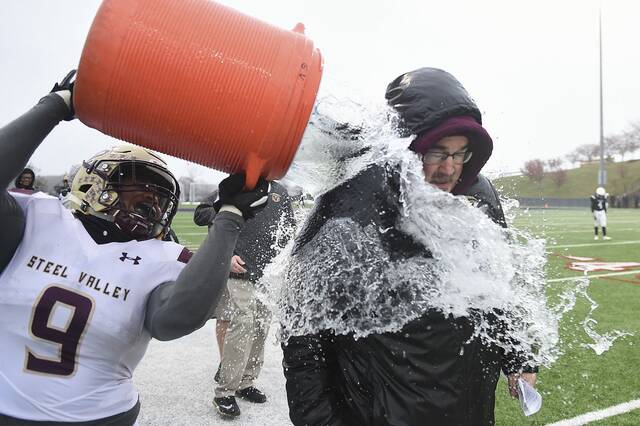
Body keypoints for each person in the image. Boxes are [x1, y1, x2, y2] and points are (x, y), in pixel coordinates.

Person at [0, 70, 271, 425]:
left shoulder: (160, 257)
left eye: (160, 198)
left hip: (102, 416)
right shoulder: (33, 217)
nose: (152, 204)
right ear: (93, 183)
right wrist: (55, 106)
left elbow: (176, 320)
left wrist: (230, 217)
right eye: (139, 186)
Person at [280, 67, 537, 425]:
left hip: (471, 410)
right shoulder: (354, 203)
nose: (449, 169)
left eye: (461, 153)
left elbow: (496, 289)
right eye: (436, 152)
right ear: (406, 146)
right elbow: (301, 327)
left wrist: (517, 355)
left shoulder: (477, 197)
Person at [194, 181, 295, 418]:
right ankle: (225, 392)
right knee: (243, 324)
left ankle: (245, 383)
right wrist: (226, 251)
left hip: (268, 275)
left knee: (261, 327)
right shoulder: (239, 183)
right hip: (239, 269)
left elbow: (289, 228)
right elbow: (201, 214)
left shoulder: (280, 191)